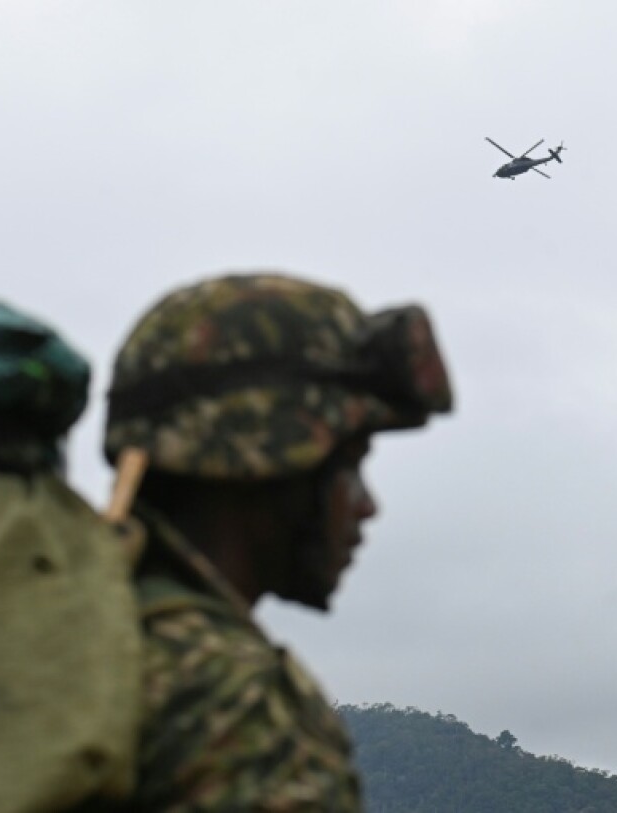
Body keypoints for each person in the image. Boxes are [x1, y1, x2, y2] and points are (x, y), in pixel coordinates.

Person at [101, 272, 454, 811]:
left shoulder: (63, 628)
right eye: (352, 467)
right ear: (268, 458)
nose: (367, 506)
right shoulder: (226, 705)